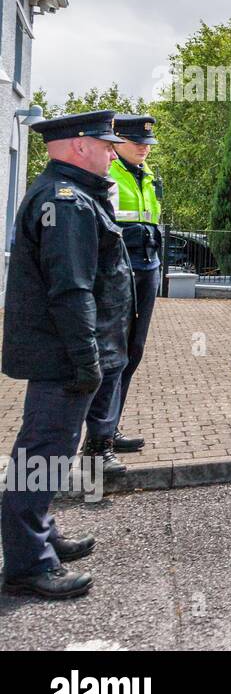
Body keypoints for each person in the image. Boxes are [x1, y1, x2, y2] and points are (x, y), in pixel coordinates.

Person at [1, 111, 133, 599]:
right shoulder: (68, 201)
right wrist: (86, 358)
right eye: (104, 145)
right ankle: (27, 564)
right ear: (79, 146)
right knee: (40, 453)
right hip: (64, 354)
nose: (111, 153)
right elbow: (71, 289)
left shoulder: (70, 195)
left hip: (64, 351)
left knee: (49, 451)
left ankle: (41, 534)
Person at [81, 114, 162, 464]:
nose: (144, 148)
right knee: (111, 355)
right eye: (137, 142)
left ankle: (109, 428)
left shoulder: (149, 177)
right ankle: (96, 441)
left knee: (132, 352)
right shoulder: (105, 175)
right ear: (116, 142)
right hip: (117, 272)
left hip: (146, 268)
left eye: (147, 143)